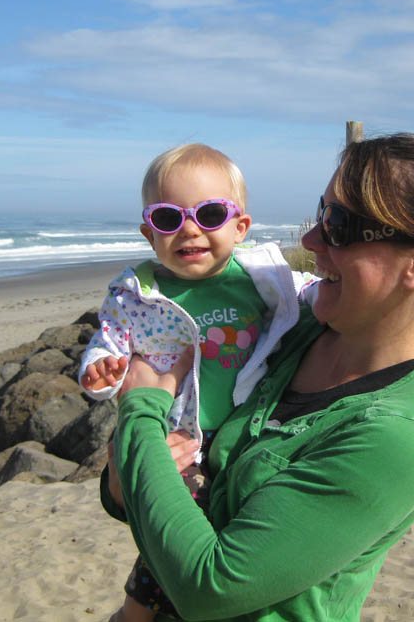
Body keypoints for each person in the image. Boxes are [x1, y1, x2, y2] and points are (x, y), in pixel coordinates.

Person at [102, 132, 414, 621]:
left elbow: (210, 588)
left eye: (340, 226)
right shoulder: (293, 330)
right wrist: (125, 478)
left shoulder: (397, 435)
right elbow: (146, 490)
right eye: (322, 212)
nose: (311, 239)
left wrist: (139, 414)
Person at [78, 143, 318, 622]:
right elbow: (111, 343)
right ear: (150, 233)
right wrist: (101, 370)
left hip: (244, 431)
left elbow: (308, 291)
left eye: (209, 214)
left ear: (240, 227)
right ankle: (135, 611)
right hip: (178, 435)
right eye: (169, 219)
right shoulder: (138, 296)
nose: (190, 230)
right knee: (175, 521)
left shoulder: (260, 278)